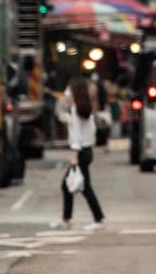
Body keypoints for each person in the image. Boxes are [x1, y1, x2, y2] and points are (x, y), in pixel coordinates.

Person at [52, 76, 106, 230]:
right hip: (87, 150)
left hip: (80, 152)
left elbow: (76, 134)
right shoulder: (85, 108)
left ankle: (77, 219)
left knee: (71, 186)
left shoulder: (77, 109)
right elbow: (88, 130)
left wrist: (74, 154)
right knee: (82, 186)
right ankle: (79, 218)